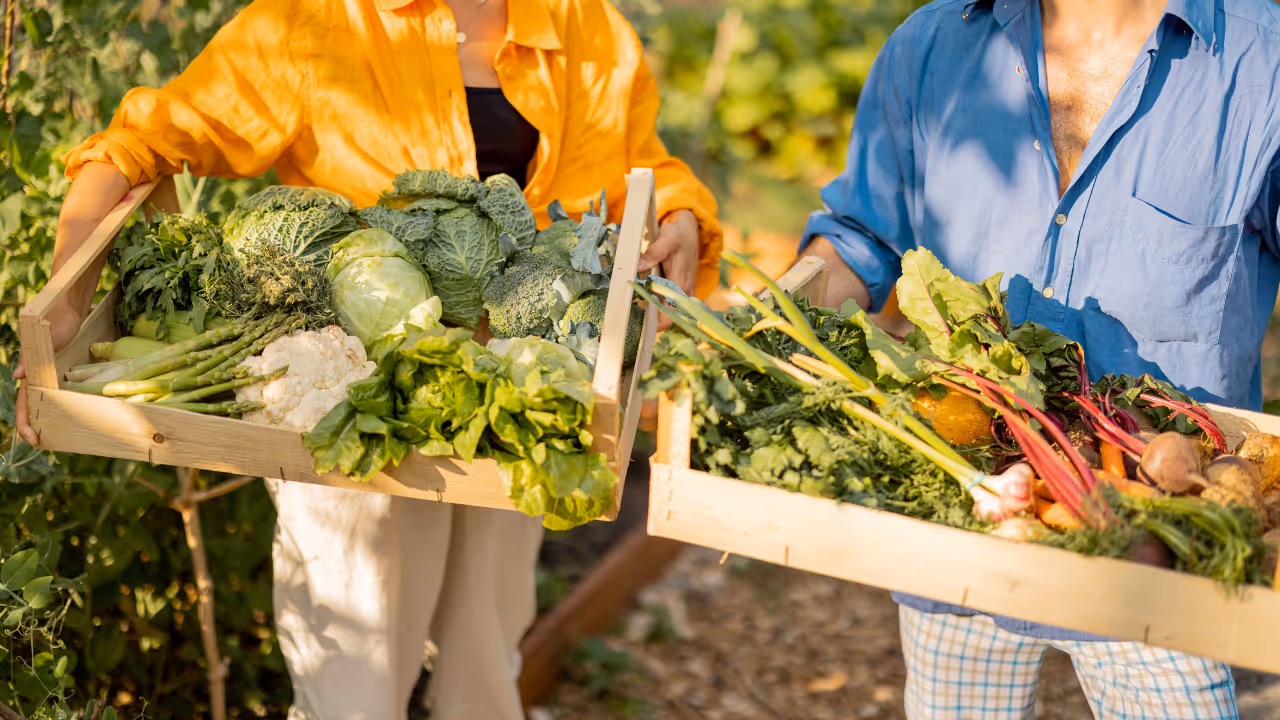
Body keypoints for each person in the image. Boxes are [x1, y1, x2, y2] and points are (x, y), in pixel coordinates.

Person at [14, 0, 722, 717]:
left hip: (520, 388)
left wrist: (680, 214)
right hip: (354, 393)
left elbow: (641, 163)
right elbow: (145, 139)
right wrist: (64, 298)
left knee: (486, 656)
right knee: (354, 670)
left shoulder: (581, 23)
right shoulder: (315, 20)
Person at [799, 0, 1279, 717]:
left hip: (1168, 541)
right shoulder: (933, 47)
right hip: (967, 515)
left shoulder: (1260, 60)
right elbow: (860, 236)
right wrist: (776, 313)